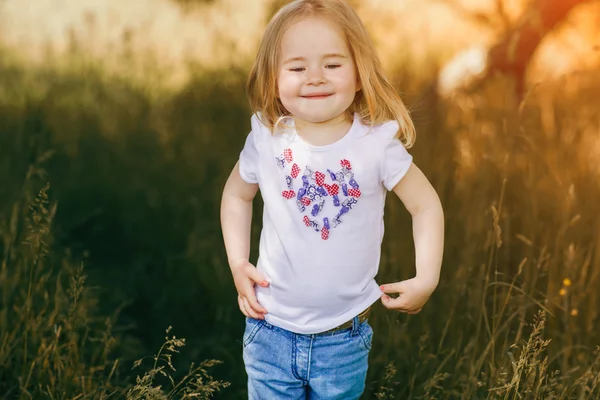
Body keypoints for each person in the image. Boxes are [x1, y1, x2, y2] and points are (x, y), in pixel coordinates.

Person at [220, 0, 444, 398]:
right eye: (297, 67)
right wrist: (238, 262)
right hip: (268, 330)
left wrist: (426, 277)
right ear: (273, 79)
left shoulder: (375, 144)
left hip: (342, 339)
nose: (315, 78)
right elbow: (237, 195)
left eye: (333, 64)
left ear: (359, 73)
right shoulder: (268, 138)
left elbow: (424, 205)